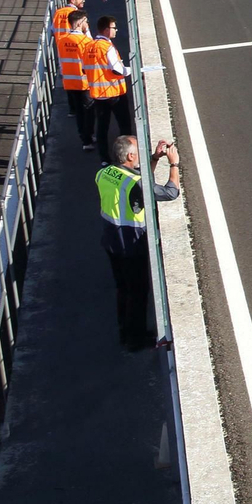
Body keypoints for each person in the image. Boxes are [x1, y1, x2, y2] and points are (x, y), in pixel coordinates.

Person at [96, 136, 182, 349]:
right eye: (140, 153)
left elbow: (138, 185)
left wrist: (154, 158)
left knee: (123, 288)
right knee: (138, 291)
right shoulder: (133, 182)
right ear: (131, 156)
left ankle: (124, 330)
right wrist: (173, 164)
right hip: (131, 244)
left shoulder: (104, 173)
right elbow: (170, 193)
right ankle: (135, 339)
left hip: (111, 241)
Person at [86, 15, 134, 152]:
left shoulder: (88, 46)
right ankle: (127, 155)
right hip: (114, 93)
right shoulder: (108, 47)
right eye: (114, 28)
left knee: (102, 127)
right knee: (124, 126)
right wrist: (132, 70)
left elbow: (85, 68)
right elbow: (117, 69)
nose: (116, 30)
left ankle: (104, 158)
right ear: (106, 30)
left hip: (98, 95)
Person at [56, 9, 96, 151]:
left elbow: (61, 62)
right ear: (80, 23)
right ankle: (88, 137)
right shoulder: (85, 41)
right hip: (84, 81)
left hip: (69, 81)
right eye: (86, 21)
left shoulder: (62, 40)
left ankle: (84, 137)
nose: (87, 24)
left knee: (79, 111)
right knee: (89, 111)